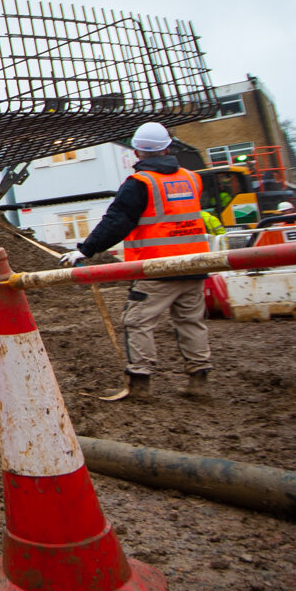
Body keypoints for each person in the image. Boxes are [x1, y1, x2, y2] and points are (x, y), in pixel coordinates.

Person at [58, 121, 212, 399]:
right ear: (168, 147)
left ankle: (140, 383)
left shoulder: (140, 183)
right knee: (191, 322)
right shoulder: (192, 178)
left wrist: (85, 249)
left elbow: (117, 222)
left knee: (138, 321)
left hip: (156, 268)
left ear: (137, 152)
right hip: (196, 265)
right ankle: (199, 380)